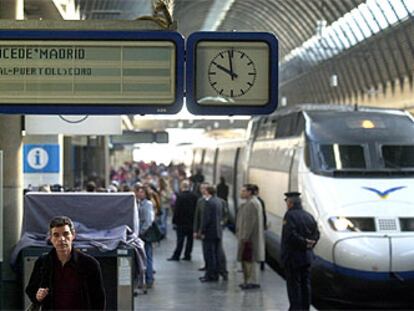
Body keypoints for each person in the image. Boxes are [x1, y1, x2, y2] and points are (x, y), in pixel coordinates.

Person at [26, 216, 106, 310]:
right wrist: (37, 296)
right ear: (51, 239)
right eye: (56, 235)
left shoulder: (89, 264)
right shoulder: (43, 263)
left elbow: (98, 299)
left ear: (73, 235)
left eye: (66, 234)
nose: (62, 239)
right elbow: (31, 290)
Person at [281, 192, 320, 311]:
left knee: (294, 285)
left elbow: (290, 236)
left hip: (293, 258)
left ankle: (295, 308)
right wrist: (310, 243)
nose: (286, 204)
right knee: (305, 284)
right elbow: (317, 234)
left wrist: (303, 242)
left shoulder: (289, 215)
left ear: (290, 203)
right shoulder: (309, 215)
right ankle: (305, 308)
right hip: (307, 257)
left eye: (286, 201)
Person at [236, 184, 265, 290]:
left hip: (250, 239)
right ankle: (248, 281)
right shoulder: (251, 202)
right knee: (249, 260)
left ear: (249, 192)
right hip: (250, 238)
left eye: (243, 191)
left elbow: (249, 223)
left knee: (250, 260)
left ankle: (252, 282)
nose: (241, 193)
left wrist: (244, 236)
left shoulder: (252, 204)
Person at [168, 180, 198, 261]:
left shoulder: (180, 196)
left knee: (180, 240)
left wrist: (174, 221)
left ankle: (177, 255)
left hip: (181, 222)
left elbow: (177, 210)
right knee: (190, 240)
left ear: (182, 187)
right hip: (191, 222)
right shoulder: (195, 196)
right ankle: (187, 255)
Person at [199, 185, 223, 282]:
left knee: (209, 255)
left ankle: (210, 276)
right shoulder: (218, 201)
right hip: (217, 232)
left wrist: (202, 231)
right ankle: (215, 274)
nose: (203, 191)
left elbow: (206, 219)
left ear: (208, 192)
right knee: (215, 254)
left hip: (209, 233)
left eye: (204, 190)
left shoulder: (209, 203)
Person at [135, 184, 155, 289]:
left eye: (142, 192)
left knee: (148, 256)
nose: (139, 193)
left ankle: (149, 279)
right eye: (139, 191)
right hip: (140, 234)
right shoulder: (138, 203)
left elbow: (148, 221)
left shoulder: (148, 204)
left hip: (145, 234)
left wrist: (141, 231)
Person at [252, 184, 267, 270]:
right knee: (260, 246)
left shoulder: (257, 202)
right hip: (260, 227)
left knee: (258, 246)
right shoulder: (260, 201)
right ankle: (261, 263)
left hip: (258, 227)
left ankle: (261, 263)